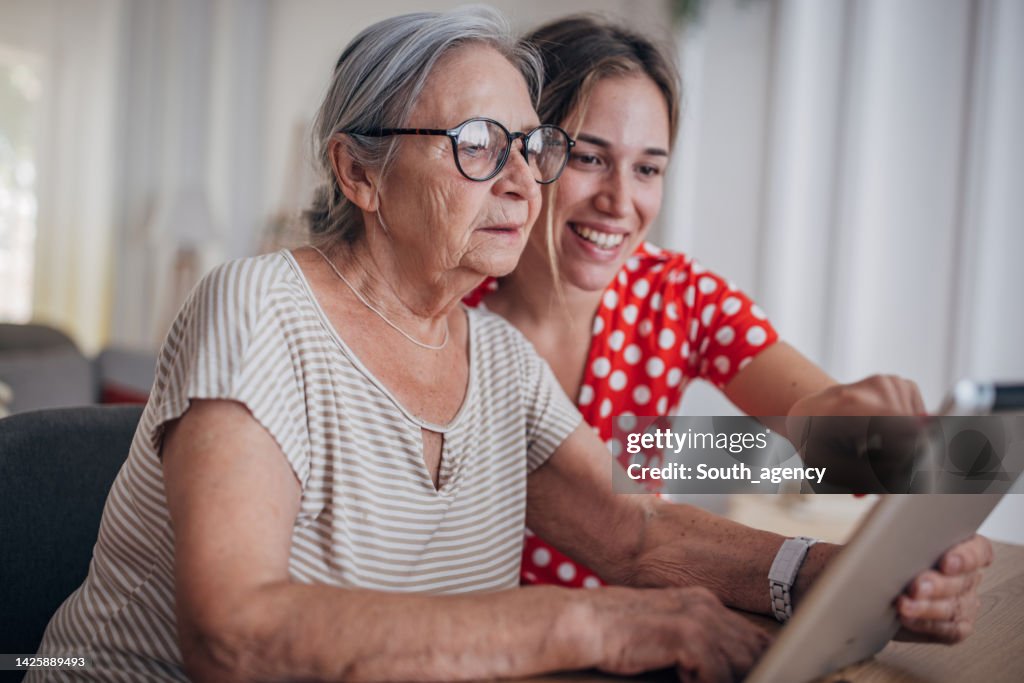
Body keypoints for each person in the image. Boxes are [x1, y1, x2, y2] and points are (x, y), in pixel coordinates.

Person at [30, 9, 986, 683]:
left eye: (532, 148)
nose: (536, 184)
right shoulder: (263, 305)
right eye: (487, 143)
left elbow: (662, 511)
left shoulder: (553, 336)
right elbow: (234, 635)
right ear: (358, 170)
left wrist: (837, 567)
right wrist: (588, 618)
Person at [469, 14, 992, 639]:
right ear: (525, 154)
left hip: (641, 637)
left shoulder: (676, 295)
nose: (620, 201)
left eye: (648, 169)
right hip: (484, 642)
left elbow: (812, 424)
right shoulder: (449, 306)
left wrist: (870, 449)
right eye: (588, 157)